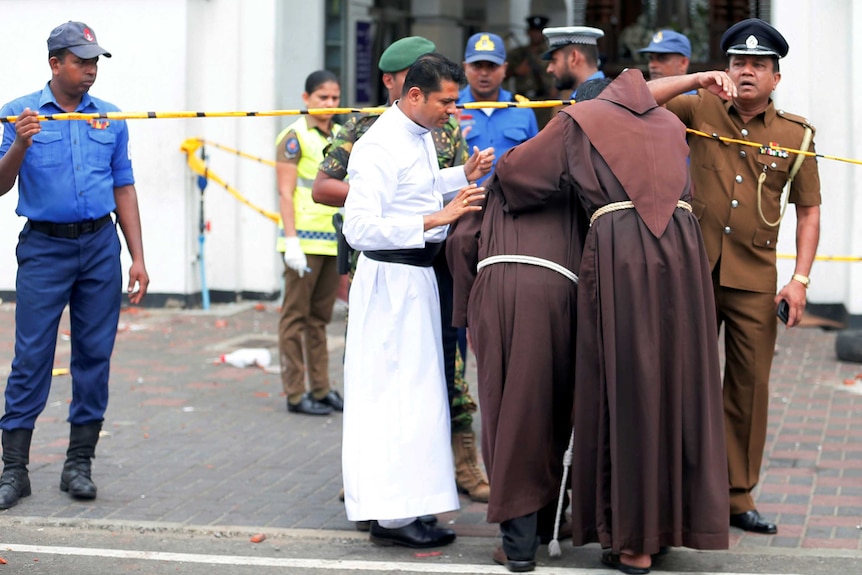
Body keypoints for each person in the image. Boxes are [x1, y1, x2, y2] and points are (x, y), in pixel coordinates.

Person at [648, 18, 821, 536]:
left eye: (758, 65)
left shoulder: (796, 134)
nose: (746, 72)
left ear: (775, 78)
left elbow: (809, 211)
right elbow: (634, 99)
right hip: (691, 270)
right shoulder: (696, 105)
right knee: (680, 379)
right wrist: (693, 79)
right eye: (738, 63)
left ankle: (735, 495)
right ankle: (673, 487)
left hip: (754, 279)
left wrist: (800, 281)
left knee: (748, 388)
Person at [313, 37, 492, 505]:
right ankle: (389, 511)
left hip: (417, 278)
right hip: (391, 280)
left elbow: (417, 187)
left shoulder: (416, 134)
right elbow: (360, 227)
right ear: (414, 95)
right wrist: (437, 218)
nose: (453, 110)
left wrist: (461, 175)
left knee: (417, 397)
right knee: (392, 396)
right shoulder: (377, 144)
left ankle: (410, 504)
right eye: (447, 101)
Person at [0, 21, 149, 510]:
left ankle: (78, 464)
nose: (90, 70)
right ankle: (14, 470)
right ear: (54, 63)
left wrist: (137, 257)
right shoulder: (18, 114)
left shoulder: (109, 118)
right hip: (44, 248)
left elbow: (123, 186)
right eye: (81, 61)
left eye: (94, 62)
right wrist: (20, 142)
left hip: (100, 247)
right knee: (32, 358)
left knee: (93, 357)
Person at [275, 70, 344, 416]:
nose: (330, 104)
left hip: (332, 241)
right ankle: (295, 391)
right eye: (322, 98)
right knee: (294, 319)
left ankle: (320, 387)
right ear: (306, 99)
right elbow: (286, 192)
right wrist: (290, 241)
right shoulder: (294, 137)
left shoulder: (340, 135)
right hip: (303, 241)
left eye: (335, 98)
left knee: (320, 319)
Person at [459, 32, 538, 184]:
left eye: (492, 66)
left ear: (505, 69)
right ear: (465, 67)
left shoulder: (521, 109)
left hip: (511, 203)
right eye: (477, 65)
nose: (484, 73)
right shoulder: (451, 109)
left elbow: (535, 162)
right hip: (464, 202)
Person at [505, 15, 556, 128]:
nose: (535, 35)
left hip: (543, 100)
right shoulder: (518, 53)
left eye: (538, 31)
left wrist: (555, 89)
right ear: (528, 32)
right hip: (522, 99)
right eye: (533, 31)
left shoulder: (551, 53)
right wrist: (516, 71)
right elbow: (503, 74)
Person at [542, 26, 605, 100]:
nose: (549, 69)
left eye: (554, 60)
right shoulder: (605, 95)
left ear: (574, 58)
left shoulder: (591, 102)